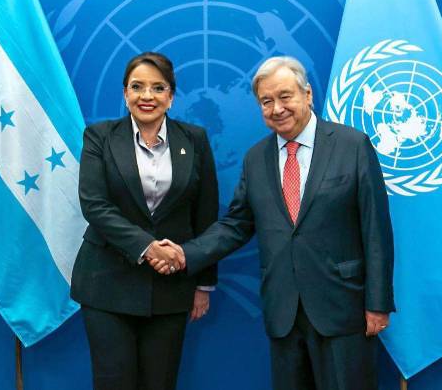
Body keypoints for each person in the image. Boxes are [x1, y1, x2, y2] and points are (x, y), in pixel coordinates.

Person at [149, 56, 395, 390]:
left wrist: (378, 303)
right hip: (284, 312)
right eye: (266, 101)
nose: (277, 108)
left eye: (285, 96)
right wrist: (184, 254)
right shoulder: (256, 158)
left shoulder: (352, 145)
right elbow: (236, 225)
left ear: (307, 94)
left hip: (343, 309)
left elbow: (376, 229)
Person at [71, 52, 219, 390]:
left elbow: (205, 214)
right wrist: (149, 247)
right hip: (107, 283)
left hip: (172, 287)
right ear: (125, 94)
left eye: (158, 87)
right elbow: (94, 205)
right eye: (137, 87)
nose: (147, 96)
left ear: (171, 96)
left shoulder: (194, 139)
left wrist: (203, 284)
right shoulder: (99, 136)